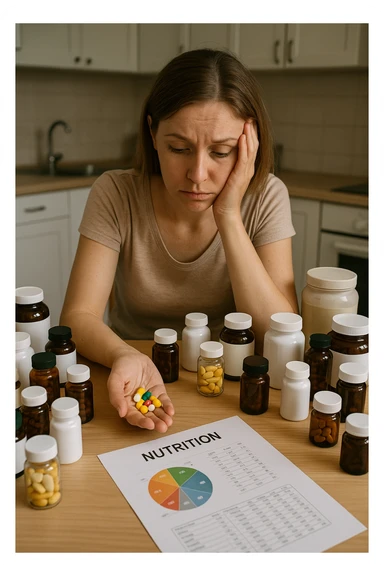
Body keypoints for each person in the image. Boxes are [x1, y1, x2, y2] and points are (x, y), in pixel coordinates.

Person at [60, 48, 298, 434]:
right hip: (132, 375)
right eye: (179, 148)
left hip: (228, 388)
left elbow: (279, 331)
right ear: (152, 133)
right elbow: (77, 317)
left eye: (221, 152)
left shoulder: (267, 196)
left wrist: (228, 216)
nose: (198, 174)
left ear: (248, 145)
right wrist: (124, 354)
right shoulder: (115, 193)